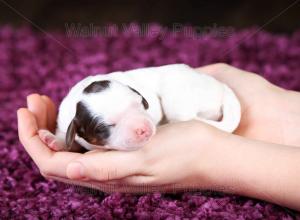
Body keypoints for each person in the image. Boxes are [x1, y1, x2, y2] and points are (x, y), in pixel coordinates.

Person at [17, 63, 300, 211]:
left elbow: (151, 99)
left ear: (137, 96)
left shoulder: (130, 90)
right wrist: (60, 141)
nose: (141, 126)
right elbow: (65, 132)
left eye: (137, 108)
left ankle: (199, 120)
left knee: (173, 100)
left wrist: (211, 154)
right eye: (112, 126)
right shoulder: (70, 116)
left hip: (199, 92)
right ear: (77, 130)